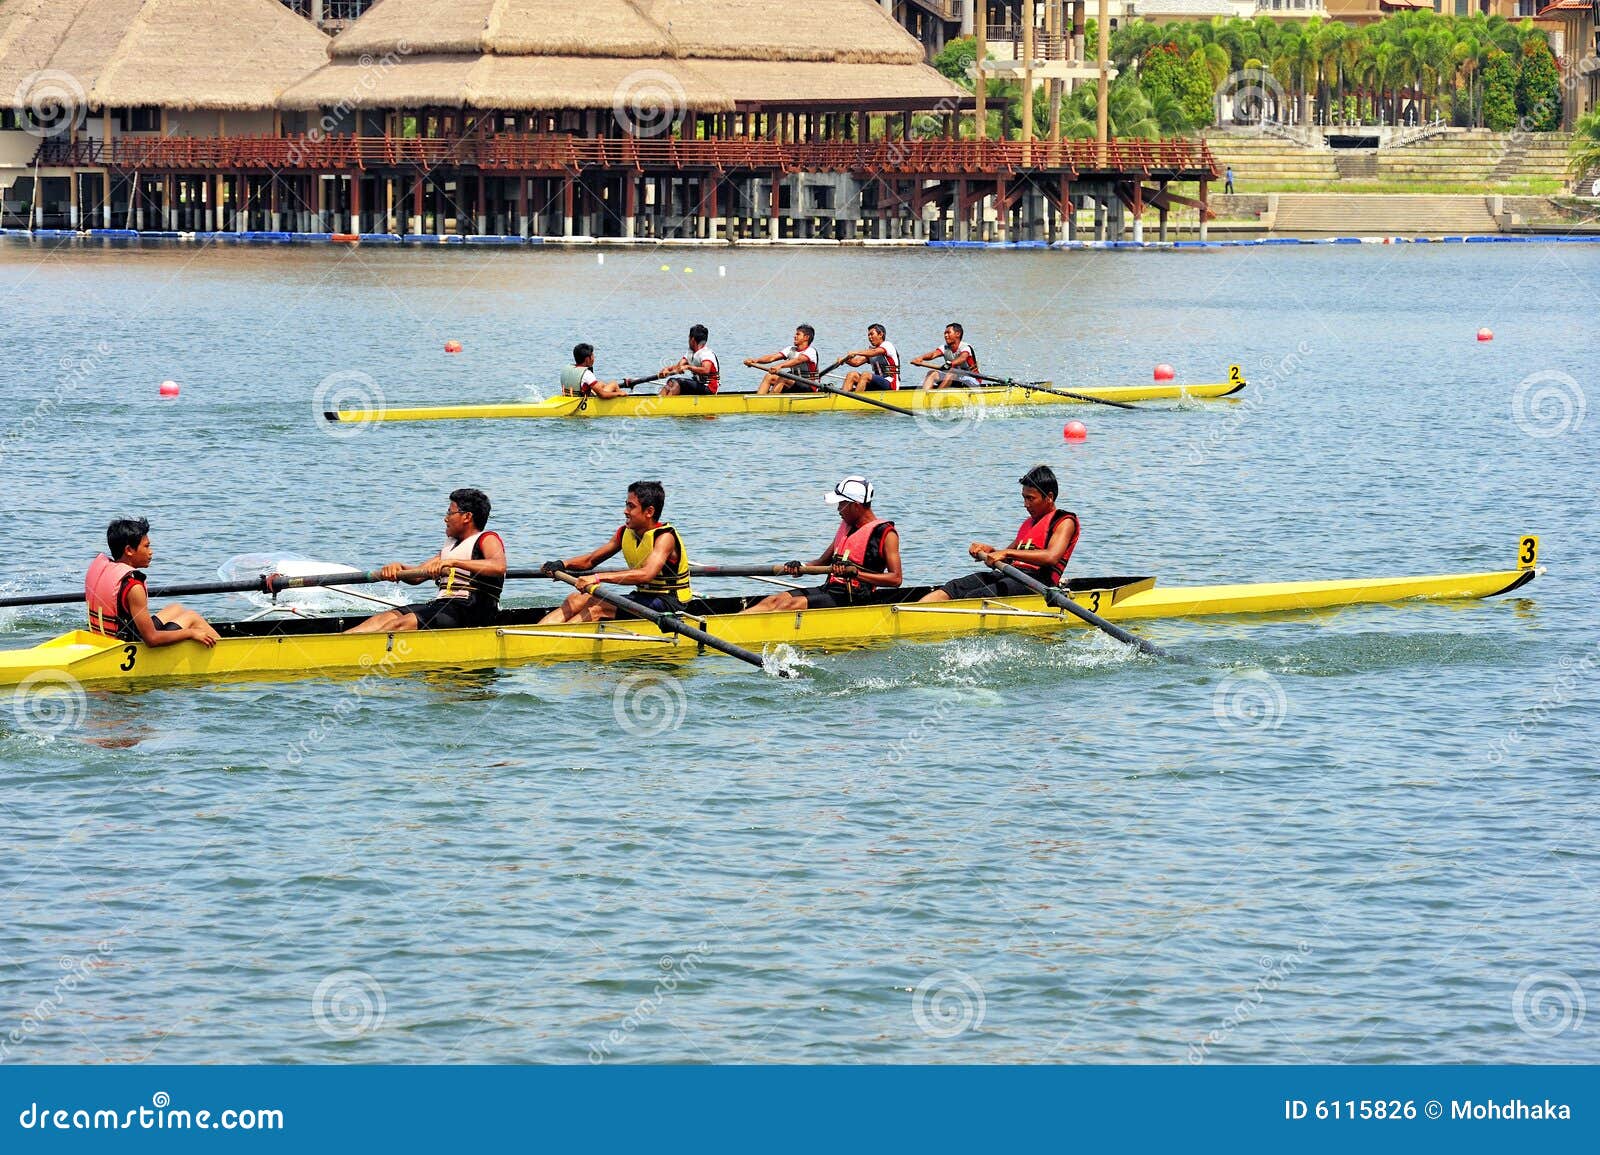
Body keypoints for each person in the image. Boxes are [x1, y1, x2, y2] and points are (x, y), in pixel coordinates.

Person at [346, 489, 506, 633]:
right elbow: (417, 576)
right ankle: (342, 641)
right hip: (442, 606)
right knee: (383, 619)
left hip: (473, 611)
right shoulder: (449, 548)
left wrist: (454, 563)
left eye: (450, 513)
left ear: (467, 516)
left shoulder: (487, 539)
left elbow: (498, 566)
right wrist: (399, 569)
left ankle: (363, 652)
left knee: (399, 625)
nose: (445, 519)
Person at [918, 466, 1078, 603]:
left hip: (1039, 584)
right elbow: (1006, 558)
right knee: (954, 586)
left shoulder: (1064, 521)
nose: (1025, 504)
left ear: (1049, 497)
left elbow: (1051, 556)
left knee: (977, 596)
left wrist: (1006, 552)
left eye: (1031, 499)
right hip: (1011, 575)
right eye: (1024, 498)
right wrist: (990, 551)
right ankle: (913, 615)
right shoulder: (1029, 523)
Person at [539, 481, 691, 624]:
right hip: (643, 597)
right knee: (575, 599)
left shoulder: (665, 537)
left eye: (631, 506)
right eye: (626, 505)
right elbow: (591, 560)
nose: (625, 511)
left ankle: (553, 643)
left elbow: (646, 574)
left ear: (649, 511)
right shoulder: (625, 532)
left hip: (669, 603)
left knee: (597, 607)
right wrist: (561, 564)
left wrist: (597, 578)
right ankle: (536, 636)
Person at [741, 477, 901, 613]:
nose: (838, 509)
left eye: (841, 504)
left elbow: (896, 579)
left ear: (856, 505)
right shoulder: (847, 527)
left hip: (856, 598)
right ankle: (733, 627)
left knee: (790, 606)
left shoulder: (886, 534)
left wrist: (855, 574)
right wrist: (801, 567)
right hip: (830, 590)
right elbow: (821, 563)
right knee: (774, 600)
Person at [84, 517, 220, 648]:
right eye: (146, 546)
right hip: (127, 646)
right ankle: (227, 652)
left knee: (176, 608)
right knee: (192, 617)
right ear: (129, 550)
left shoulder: (108, 570)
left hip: (109, 637)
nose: (150, 552)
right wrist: (191, 633)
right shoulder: (133, 586)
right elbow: (151, 640)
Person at [748, 325, 820, 395]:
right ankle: (758, 399)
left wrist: (780, 366)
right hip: (794, 383)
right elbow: (772, 357)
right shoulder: (790, 349)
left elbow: (797, 360)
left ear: (806, 337)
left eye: (798, 334)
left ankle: (770, 401)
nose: (795, 336)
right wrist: (755, 361)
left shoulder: (811, 351)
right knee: (769, 376)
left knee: (784, 377)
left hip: (810, 386)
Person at [658, 324, 720, 397]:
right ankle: (658, 402)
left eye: (688, 338)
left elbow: (705, 370)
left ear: (692, 339)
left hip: (709, 389)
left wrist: (688, 367)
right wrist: (667, 370)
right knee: (671, 381)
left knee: (679, 382)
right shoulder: (690, 352)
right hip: (698, 386)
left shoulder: (706, 353)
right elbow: (679, 367)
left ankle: (666, 405)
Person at [839, 324, 900, 392]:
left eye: (872, 334)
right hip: (878, 383)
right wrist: (844, 360)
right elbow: (856, 362)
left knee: (865, 375)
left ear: (880, 334)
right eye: (868, 335)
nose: (869, 337)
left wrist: (855, 352)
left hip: (891, 384)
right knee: (852, 374)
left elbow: (874, 352)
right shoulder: (872, 350)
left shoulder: (887, 345)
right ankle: (842, 399)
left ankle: (856, 401)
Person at [917, 323, 980, 390]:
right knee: (931, 373)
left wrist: (950, 364)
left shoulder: (965, 347)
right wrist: (920, 358)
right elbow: (933, 355)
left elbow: (962, 358)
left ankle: (936, 396)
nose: (946, 335)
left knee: (951, 374)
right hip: (955, 378)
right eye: (945, 333)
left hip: (971, 379)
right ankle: (925, 396)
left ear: (957, 334)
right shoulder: (944, 348)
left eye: (948, 333)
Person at [560, 343, 628, 400]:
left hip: (571, 397)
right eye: (592, 356)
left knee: (600, 383)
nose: (594, 358)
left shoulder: (567, 368)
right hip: (584, 400)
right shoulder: (587, 373)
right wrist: (618, 393)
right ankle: (623, 401)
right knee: (614, 384)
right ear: (587, 359)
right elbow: (602, 395)